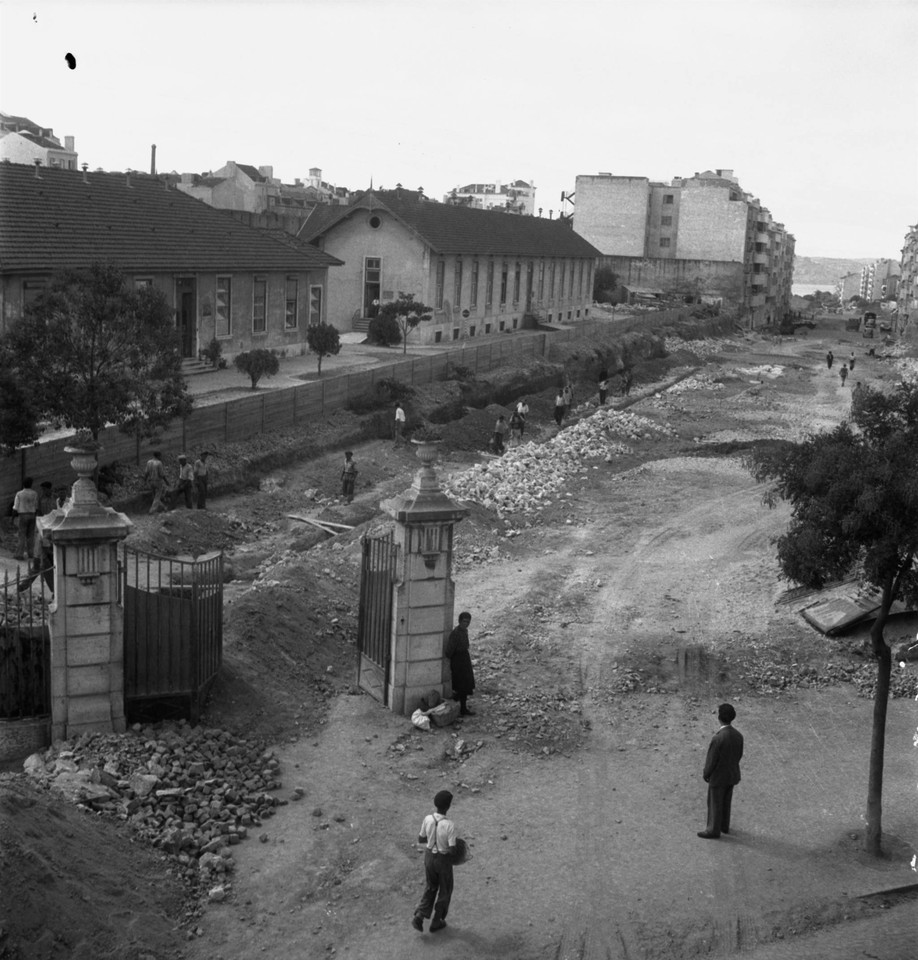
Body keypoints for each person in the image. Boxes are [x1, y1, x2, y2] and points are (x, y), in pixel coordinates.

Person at [412, 790, 458, 933]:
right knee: (445, 889)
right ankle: (436, 921)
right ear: (448, 806)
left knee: (431, 886)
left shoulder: (427, 819)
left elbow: (421, 839)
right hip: (443, 861)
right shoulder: (449, 825)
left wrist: (433, 840)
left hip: (429, 857)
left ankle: (419, 916)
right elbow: (451, 850)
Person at [698, 702, 744, 839]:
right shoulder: (738, 735)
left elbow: (711, 760)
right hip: (732, 774)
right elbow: (739, 755)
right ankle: (724, 826)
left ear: (719, 717)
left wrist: (706, 774)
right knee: (726, 802)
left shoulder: (718, 738)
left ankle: (713, 829)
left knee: (715, 803)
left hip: (718, 777)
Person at [445, 611, 476, 716]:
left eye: (468, 622)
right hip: (458, 661)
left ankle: (460, 707)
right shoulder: (456, 633)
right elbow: (449, 651)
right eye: (464, 622)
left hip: (464, 659)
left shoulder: (464, 632)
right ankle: (460, 708)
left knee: (465, 685)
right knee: (461, 686)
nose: (466, 624)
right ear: (459, 621)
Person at [12, 477, 39, 561]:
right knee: (31, 535)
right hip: (32, 515)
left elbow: (15, 507)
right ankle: (31, 553)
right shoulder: (34, 493)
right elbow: (36, 506)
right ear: (31, 484)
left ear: (23, 484)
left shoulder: (19, 494)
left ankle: (19, 554)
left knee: (22, 535)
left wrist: (12, 518)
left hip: (23, 515)